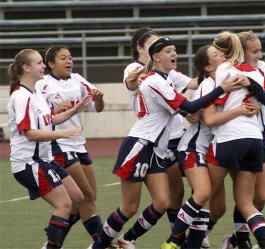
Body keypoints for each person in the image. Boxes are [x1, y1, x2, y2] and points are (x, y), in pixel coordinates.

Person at [91, 37, 242, 249]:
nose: (174, 54)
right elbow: (188, 106)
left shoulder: (167, 77)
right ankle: (97, 246)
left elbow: (184, 97)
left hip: (156, 150)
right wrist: (221, 89)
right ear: (155, 57)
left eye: (174, 50)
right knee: (129, 207)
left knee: (163, 202)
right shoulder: (155, 80)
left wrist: (220, 71)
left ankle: (127, 240)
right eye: (169, 51)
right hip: (140, 145)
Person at [162, 44, 258, 249]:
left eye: (221, 52)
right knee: (203, 194)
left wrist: (253, 105)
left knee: (218, 209)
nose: (222, 54)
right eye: (216, 54)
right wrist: (241, 110)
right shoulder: (209, 84)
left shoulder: (227, 81)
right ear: (207, 67)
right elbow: (211, 119)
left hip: (211, 150)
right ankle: (173, 242)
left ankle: (191, 241)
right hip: (193, 148)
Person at [121, 27, 200, 247]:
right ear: (140, 48)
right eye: (155, 46)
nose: (166, 51)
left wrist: (215, 70)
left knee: (195, 186)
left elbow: (192, 83)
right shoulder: (137, 69)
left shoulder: (166, 72)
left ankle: (188, 234)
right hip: (157, 139)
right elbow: (133, 82)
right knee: (171, 196)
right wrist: (187, 109)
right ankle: (179, 238)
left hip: (177, 134)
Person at [7, 49, 93, 248]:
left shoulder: (35, 93)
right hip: (29, 163)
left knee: (78, 198)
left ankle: (53, 238)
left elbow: (50, 120)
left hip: (45, 160)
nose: (43, 66)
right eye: (39, 63)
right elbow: (30, 133)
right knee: (64, 204)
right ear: (26, 68)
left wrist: (76, 109)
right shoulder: (21, 97)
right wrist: (62, 134)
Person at [201, 31, 265, 249]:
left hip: (252, 136)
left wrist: (250, 89)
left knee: (258, 197)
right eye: (255, 51)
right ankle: (238, 240)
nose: (259, 55)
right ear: (240, 51)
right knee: (219, 196)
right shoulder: (224, 70)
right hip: (238, 136)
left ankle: (229, 239)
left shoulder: (258, 69)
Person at [35, 45, 105, 243]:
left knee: (83, 199)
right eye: (63, 58)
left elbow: (98, 108)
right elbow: (39, 115)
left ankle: (53, 235)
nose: (69, 61)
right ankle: (101, 243)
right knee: (86, 197)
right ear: (50, 64)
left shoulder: (78, 79)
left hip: (79, 144)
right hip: (60, 144)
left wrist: (99, 100)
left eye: (70, 57)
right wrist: (55, 110)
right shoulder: (43, 85)